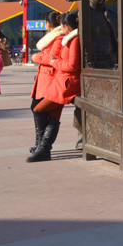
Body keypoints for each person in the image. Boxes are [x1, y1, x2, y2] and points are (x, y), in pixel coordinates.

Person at [27, 11, 81, 162]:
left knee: (39, 109)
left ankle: (43, 147)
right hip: (61, 81)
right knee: (52, 115)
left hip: (66, 83)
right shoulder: (70, 39)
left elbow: (72, 65)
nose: (61, 28)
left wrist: (54, 62)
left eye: (62, 25)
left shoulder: (73, 40)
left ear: (67, 26)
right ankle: (43, 149)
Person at [29, 11, 64, 153]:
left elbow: (52, 58)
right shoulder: (51, 37)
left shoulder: (58, 38)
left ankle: (43, 145)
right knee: (36, 108)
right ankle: (39, 143)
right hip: (43, 79)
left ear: (48, 23)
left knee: (46, 112)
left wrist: (35, 57)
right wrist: (41, 56)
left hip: (51, 79)